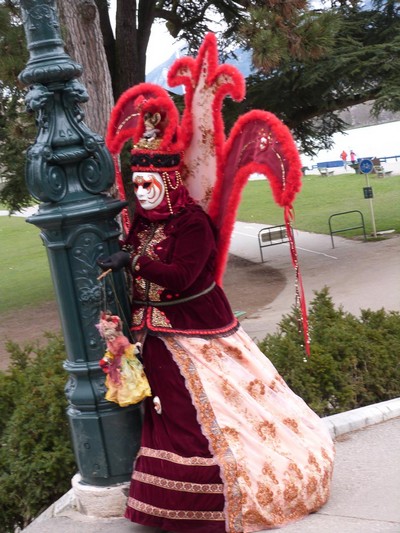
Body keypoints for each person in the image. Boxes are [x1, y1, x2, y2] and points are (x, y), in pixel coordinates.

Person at [98, 34, 334, 533]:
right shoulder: (143, 224)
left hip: (197, 335)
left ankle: (207, 504)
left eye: (149, 185)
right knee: (164, 412)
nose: (140, 193)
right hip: (153, 333)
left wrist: (132, 264)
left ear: (171, 182)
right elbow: (139, 270)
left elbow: (183, 276)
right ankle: (162, 502)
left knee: (200, 413)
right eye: (135, 184)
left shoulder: (190, 224)